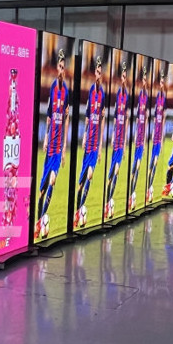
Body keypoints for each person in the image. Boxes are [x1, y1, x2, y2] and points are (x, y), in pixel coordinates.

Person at [35, 49, 70, 239]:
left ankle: (41, 220)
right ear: (56, 68)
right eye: (59, 67)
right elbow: (49, 117)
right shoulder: (52, 89)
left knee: (53, 180)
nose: (61, 70)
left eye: (63, 68)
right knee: (42, 188)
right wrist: (46, 138)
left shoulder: (66, 92)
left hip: (58, 148)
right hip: (50, 146)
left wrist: (64, 147)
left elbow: (66, 119)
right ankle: (39, 221)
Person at [73, 55, 106, 228]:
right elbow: (87, 118)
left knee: (91, 174)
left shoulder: (103, 94)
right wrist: (85, 136)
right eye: (97, 72)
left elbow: (102, 121)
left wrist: (100, 146)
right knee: (82, 180)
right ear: (95, 73)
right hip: (88, 142)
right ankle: (77, 211)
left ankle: (80, 210)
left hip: (95, 145)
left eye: (101, 73)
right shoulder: (91, 93)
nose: (99, 75)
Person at [104, 61, 130, 219]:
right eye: (123, 76)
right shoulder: (117, 95)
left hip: (121, 141)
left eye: (126, 77)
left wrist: (125, 142)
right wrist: (113, 135)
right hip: (115, 139)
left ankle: (109, 200)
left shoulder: (127, 97)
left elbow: (126, 120)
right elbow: (114, 118)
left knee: (117, 170)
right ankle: (106, 201)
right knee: (111, 171)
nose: (124, 79)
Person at [128, 64, 149, 210]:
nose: (145, 82)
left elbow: (145, 119)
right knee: (133, 166)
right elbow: (134, 119)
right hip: (135, 137)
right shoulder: (136, 97)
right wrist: (135, 135)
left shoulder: (146, 98)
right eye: (143, 79)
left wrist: (145, 138)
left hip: (142, 138)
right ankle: (130, 194)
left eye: (146, 79)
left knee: (138, 165)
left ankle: (132, 193)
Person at [146, 70, 166, 202]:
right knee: (151, 162)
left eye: (164, 82)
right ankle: (148, 187)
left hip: (159, 137)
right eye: (161, 82)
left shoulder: (164, 99)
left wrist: (162, 138)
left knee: (156, 161)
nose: (162, 84)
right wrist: (152, 133)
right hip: (153, 135)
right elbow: (152, 118)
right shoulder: (155, 98)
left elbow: (163, 119)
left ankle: (150, 187)